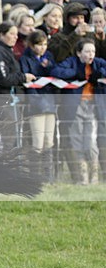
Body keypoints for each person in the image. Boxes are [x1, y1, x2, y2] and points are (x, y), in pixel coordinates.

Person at [50, 39, 106, 184]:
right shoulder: (71, 62)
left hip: (93, 106)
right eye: (87, 51)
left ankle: (94, 174)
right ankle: (82, 176)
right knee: (76, 140)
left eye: (93, 51)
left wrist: (99, 73)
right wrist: (76, 72)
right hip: (75, 106)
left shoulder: (98, 63)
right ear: (79, 53)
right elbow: (56, 71)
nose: (91, 54)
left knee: (90, 142)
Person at [0, 21, 36, 149]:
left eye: (16, 34)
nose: (15, 37)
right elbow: (2, 78)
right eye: (12, 34)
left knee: (14, 137)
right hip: (2, 99)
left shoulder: (6, 50)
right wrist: (23, 77)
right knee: (8, 139)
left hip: (11, 99)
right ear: (1, 34)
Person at [19, 30, 57, 182]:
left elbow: (54, 74)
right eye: (39, 45)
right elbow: (28, 82)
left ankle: (48, 175)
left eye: (45, 44)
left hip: (49, 102)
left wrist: (48, 67)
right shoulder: (25, 59)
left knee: (49, 140)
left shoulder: (49, 57)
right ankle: (34, 175)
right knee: (38, 141)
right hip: (35, 104)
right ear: (31, 45)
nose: (42, 48)